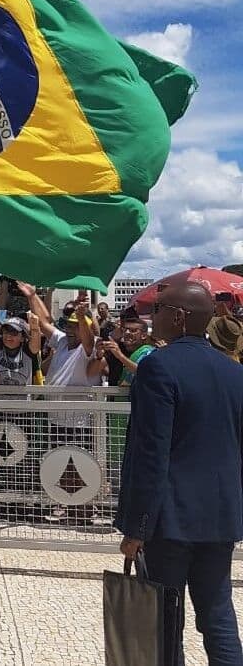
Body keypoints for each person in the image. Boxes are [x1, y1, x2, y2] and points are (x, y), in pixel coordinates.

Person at [116, 282, 243, 666]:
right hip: (220, 515)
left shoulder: (158, 366)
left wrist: (136, 526)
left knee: (165, 620)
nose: (152, 317)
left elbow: (151, 452)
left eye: (158, 310)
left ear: (179, 316)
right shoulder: (234, 371)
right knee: (218, 612)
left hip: (169, 519)